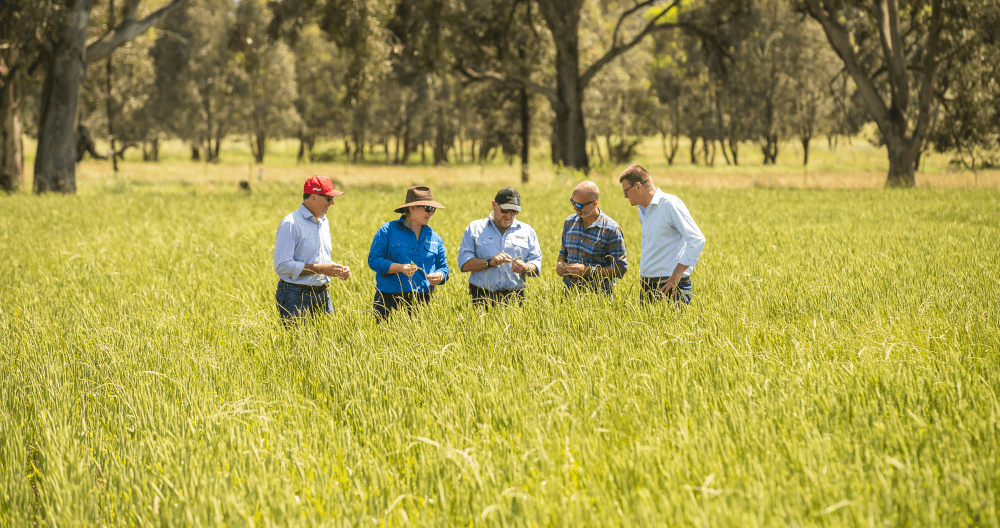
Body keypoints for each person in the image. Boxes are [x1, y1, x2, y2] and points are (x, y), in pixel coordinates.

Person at [619, 164, 706, 304]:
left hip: (670, 285)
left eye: (626, 191)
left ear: (637, 186)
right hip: (648, 285)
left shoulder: (669, 204)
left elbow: (697, 239)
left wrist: (676, 275)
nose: (625, 196)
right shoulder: (643, 210)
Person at [273, 175, 351, 322]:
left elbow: (316, 259)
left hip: (322, 293)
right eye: (329, 198)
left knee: (327, 342)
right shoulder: (290, 223)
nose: (333, 202)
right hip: (295, 296)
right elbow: (282, 266)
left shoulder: (323, 221)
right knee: (296, 344)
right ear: (314, 197)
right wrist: (321, 269)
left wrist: (334, 269)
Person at [368, 186, 450, 322]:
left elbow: (444, 268)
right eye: (428, 208)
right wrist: (399, 268)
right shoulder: (387, 231)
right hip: (388, 300)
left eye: (433, 209)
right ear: (412, 208)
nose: (431, 213)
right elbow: (374, 260)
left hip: (422, 301)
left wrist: (440, 276)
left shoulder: (435, 238)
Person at [457, 187, 542, 309]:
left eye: (514, 212)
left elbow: (536, 262)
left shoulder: (528, 231)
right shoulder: (475, 228)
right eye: (505, 210)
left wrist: (525, 268)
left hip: (515, 297)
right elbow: (464, 264)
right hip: (481, 295)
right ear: (494, 205)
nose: (508, 216)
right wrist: (489, 262)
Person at [556, 180, 628, 294]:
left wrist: (587, 271)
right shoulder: (569, 223)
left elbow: (620, 268)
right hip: (569, 295)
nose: (575, 208)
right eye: (573, 202)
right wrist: (560, 263)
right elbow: (563, 252)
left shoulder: (611, 229)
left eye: (579, 205)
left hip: (599, 297)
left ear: (594, 204)